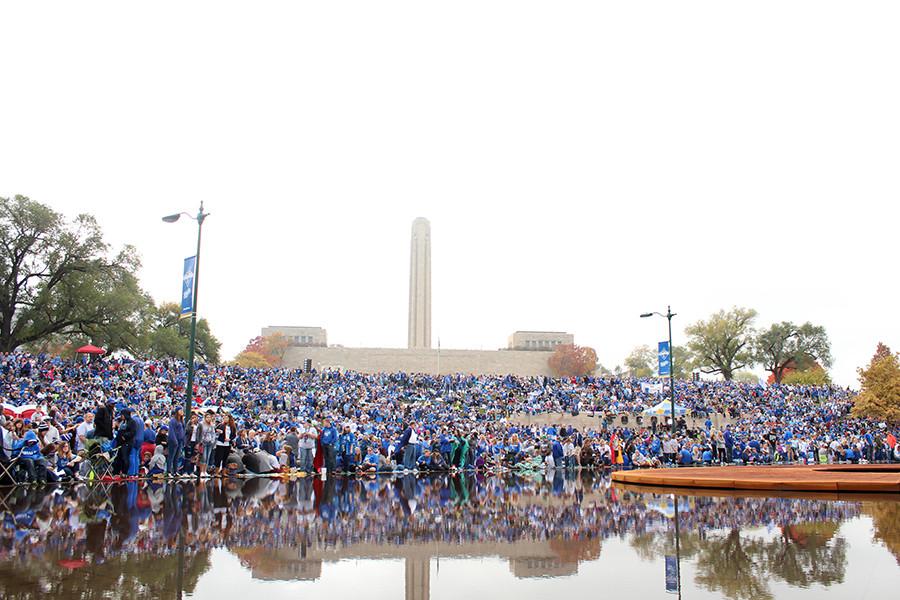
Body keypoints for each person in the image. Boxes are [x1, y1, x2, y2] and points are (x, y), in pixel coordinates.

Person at [167, 408, 185, 476]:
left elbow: (183, 430)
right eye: (180, 410)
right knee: (171, 456)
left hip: (180, 441)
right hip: (174, 441)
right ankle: (169, 471)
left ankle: (175, 471)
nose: (182, 412)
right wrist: (174, 441)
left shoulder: (181, 421)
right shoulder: (173, 421)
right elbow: (171, 432)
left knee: (177, 457)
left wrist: (183, 440)